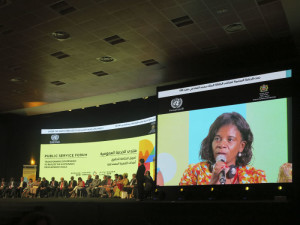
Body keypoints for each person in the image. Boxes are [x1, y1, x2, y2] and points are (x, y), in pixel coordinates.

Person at [180, 112, 267, 185]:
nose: (221, 145)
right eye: (217, 138)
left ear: (241, 146)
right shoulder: (194, 172)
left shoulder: (256, 176)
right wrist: (212, 184)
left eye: (230, 140)